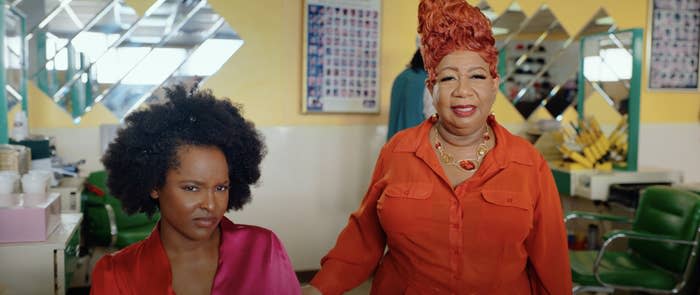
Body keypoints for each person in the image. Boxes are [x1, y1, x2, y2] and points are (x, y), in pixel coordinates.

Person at [303, 0, 572, 293]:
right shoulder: (398, 151)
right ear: (432, 88)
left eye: (477, 76)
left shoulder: (528, 162)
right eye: (448, 78)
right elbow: (363, 239)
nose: (462, 91)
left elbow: (551, 263)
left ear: (494, 84)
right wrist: (319, 288)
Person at [91, 85, 300, 295]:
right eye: (192, 188)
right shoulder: (117, 273)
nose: (210, 204)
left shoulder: (263, 249)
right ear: (154, 184)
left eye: (220, 187)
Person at [387, 49, 428, 140]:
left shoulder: (401, 77)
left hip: (394, 141)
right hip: (415, 141)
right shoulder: (426, 81)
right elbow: (430, 114)